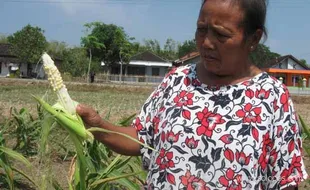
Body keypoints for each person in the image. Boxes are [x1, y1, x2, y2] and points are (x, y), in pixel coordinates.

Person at [76, 0, 308, 189]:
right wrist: (97, 125)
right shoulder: (177, 79)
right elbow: (142, 138)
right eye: (201, 30)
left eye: (221, 34)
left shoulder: (272, 96)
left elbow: (285, 179)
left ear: (253, 39)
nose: (206, 43)